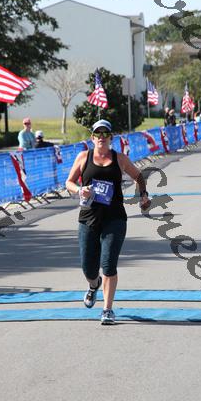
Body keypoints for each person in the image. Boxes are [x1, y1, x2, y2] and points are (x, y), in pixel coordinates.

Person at [65, 119, 151, 325]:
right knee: (88, 268)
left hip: (115, 218)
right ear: (92, 137)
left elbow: (139, 176)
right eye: (98, 133)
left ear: (111, 137)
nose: (102, 137)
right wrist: (80, 190)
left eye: (105, 133)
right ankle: (93, 285)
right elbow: (69, 182)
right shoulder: (83, 157)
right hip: (88, 219)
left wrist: (143, 195)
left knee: (108, 264)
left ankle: (107, 309)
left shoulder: (120, 159)